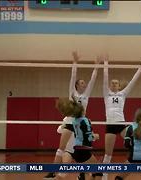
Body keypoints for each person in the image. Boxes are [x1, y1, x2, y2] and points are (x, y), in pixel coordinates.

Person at [44, 51, 99, 179]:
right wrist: (75, 62)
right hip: (69, 121)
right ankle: (52, 171)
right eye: (81, 83)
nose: (84, 84)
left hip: (80, 125)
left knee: (79, 150)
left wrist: (96, 66)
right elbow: (73, 76)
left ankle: (81, 174)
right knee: (62, 148)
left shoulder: (86, 95)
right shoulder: (72, 93)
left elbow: (93, 80)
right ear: (76, 85)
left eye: (84, 83)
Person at [102, 57, 141, 179]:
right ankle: (104, 176)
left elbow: (133, 80)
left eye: (116, 83)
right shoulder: (106, 93)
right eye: (112, 83)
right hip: (111, 125)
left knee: (137, 142)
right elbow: (105, 79)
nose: (113, 84)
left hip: (121, 124)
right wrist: (106, 63)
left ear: (119, 86)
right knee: (108, 154)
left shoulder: (123, 93)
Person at [55, 98, 102, 180]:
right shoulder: (82, 121)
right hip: (78, 150)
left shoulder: (73, 121)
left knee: (92, 171)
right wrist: (95, 136)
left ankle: (81, 175)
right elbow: (88, 137)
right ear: (81, 111)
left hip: (76, 150)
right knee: (98, 171)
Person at [115, 108, 141, 180]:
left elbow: (126, 145)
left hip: (133, 159)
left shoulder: (131, 127)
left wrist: (133, 146)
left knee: (118, 178)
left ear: (135, 117)